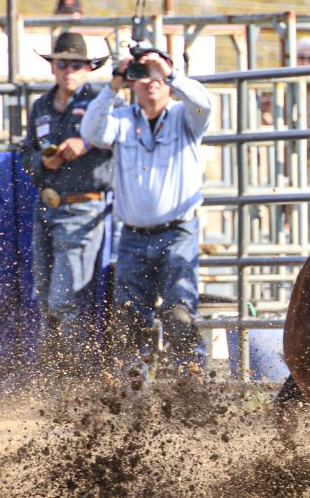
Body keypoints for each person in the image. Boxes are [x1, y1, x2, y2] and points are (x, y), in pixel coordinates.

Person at [81, 45, 214, 374]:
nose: (151, 81)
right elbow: (91, 132)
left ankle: (190, 383)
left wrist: (169, 72)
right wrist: (113, 84)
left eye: (158, 74)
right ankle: (131, 388)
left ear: (169, 79)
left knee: (179, 311)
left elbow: (203, 103)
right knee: (127, 315)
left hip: (178, 231)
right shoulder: (123, 120)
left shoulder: (185, 117)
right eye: (142, 75)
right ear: (132, 82)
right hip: (134, 235)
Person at [22, 32, 113, 375]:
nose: (69, 70)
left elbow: (116, 139)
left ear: (88, 68)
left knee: (64, 299)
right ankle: (57, 376)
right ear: (53, 67)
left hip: (83, 206)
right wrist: (40, 162)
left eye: (76, 64)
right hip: (47, 206)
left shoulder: (99, 102)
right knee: (48, 300)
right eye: (63, 63)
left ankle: (80, 377)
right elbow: (27, 151)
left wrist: (86, 143)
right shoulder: (42, 106)